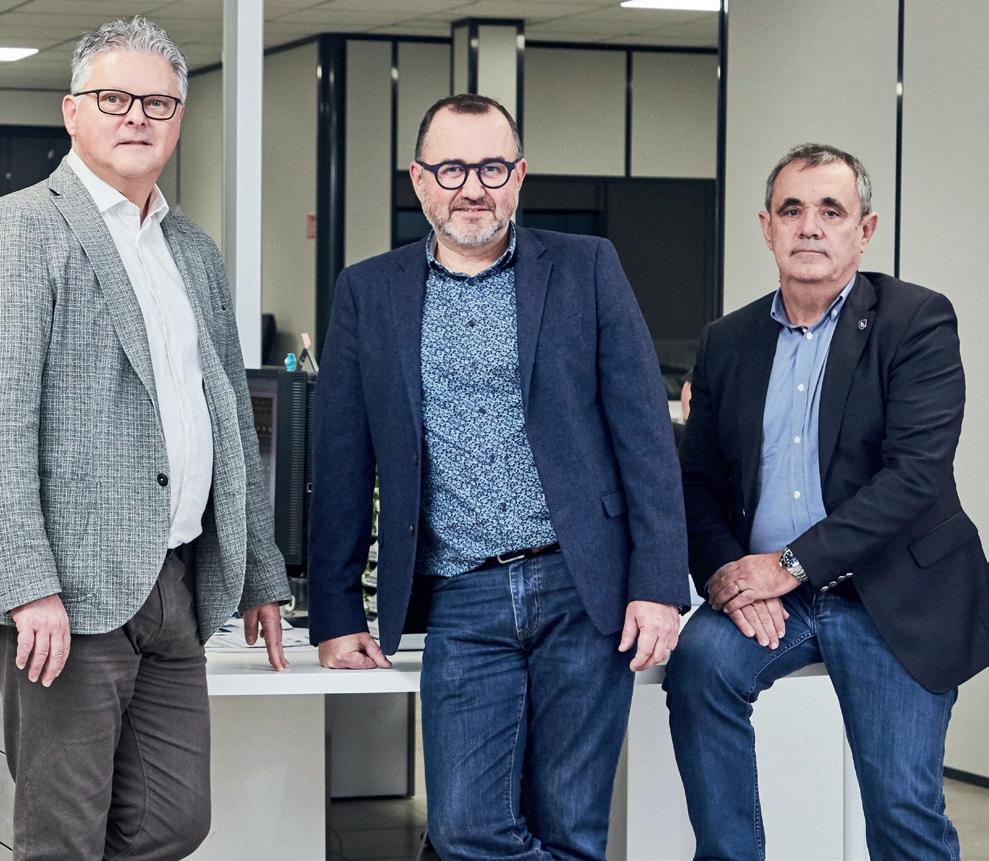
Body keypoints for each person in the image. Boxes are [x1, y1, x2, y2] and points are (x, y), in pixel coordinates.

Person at [308, 93, 689, 860]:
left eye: (490, 167)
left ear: (518, 176)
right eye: (451, 168)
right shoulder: (369, 291)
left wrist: (657, 582)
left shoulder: (585, 268)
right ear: (419, 180)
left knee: (570, 826)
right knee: (462, 827)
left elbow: (644, 435)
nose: (471, 187)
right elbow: (342, 458)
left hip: (583, 588)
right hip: (463, 596)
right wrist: (335, 610)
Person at [0, 16, 291, 860]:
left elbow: (229, 418)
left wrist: (259, 571)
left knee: (174, 819)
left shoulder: (191, 249)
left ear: (178, 119)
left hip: (176, 584)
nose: (137, 116)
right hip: (69, 594)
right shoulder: (24, 230)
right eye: (114, 98)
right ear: (72, 112)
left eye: (157, 103)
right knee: (63, 834)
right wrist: (27, 583)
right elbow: (5, 420)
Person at [666, 142, 989, 860]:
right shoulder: (727, 341)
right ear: (766, 227)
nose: (809, 226)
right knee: (699, 667)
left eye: (830, 211)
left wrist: (786, 565)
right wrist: (725, 575)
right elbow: (698, 482)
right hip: (769, 601)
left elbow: (914, 477)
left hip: (891, 593)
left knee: (901, 812)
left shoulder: (916, 321)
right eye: (791, 210)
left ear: (863, 230)